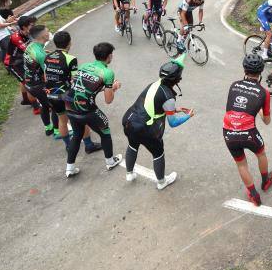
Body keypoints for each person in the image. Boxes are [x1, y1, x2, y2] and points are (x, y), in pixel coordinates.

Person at [123, 56, 192, 190]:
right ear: (178, 79)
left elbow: (152, 103)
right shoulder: (168, 97)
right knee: (158, 152)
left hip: (129, 121)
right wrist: (188, 116)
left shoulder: (153, 84)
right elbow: (173, 123)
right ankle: (161, 182)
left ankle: (129, 174)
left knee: (132, 145)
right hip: (145, 129)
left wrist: (174, 110)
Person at [64, 42, 122, 178]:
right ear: (109, 56)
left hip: (70, 105)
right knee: (105, 131)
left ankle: (69, 168)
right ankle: (110, 161)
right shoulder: (107, 72)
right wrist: (114, 87)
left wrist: (106, 87)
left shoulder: (84, 66)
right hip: (86, 109)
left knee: (77, 135)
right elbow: (108, 100)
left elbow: (84, 86)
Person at [223, 54, 272, 206]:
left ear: (244, 69)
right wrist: (259, 110)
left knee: (241, 164)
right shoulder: (264, 92)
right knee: (261, 153)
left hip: (228, 131)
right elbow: (267, 121)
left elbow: (234, 106)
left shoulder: (234, 85)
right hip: (249, 133)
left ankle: (253, 195)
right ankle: (266, 181)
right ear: (261, 72)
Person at [45, 31, 101, 152]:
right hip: (66, 95)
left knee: (62, 119)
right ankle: (89, 145)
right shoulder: (71, 59)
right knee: (82, 119)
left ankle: (68, 146)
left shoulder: (47, 56)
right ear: (69, 43)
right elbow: (75, 80)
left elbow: (46, 75)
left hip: (50, 93)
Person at [22, 24, 55, 136]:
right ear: (42, 35)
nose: (49, 33)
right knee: (55, 105)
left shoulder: (31, 46)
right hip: (38, 85)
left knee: (44, 105)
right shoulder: (40, 55)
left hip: (29, 83)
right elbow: (47, 75)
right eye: (48, 31)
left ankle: (48, 128)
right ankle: (58, 130)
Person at [5, 15, 38, 109]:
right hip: (12, 63)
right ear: (24, 27)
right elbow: (29, 50)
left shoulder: (28, 33)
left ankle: (26, 99)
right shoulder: (16, 37)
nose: (34, 27)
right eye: (32, 25)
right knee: (28, 83)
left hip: (21, 60)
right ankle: (36, 108)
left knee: (23, 80)